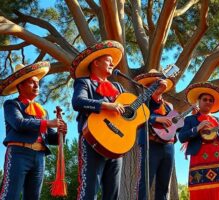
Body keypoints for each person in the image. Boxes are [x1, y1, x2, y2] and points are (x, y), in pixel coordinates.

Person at [0, 61, 67, 200]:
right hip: (19, 154)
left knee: (33, 197)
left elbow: (51, 138)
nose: (37, 86)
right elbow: (19, 123)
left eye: (38, 82)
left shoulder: (43, 112)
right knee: (10, 195)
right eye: (31, 82)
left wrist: (62, 132)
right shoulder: (12, 104)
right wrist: (48, 123)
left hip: (39, 157)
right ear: (20, 85)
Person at [71, 40, 126, 200]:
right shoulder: (84, 82)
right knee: (89, 190)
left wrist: (155, 90)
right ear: (96, 62)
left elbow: (132, 110)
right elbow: (78, 102)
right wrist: (107, 105)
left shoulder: (119, 88)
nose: (113, 65)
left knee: (112, 194)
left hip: (116, 143)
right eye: (109, 61)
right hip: (92, 140)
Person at [178, 82, 219, 200]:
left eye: (211, 100)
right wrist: (197, 128)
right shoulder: (190, 119)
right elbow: (181, 137)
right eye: (205, 99)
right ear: (199, 101)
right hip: (199, 160)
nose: (208, 102)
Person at [134, 69, 176, 200]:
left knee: (164, 186)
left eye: (158, 82)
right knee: (145, 182)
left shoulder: (169, 105)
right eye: (154, 83)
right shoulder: (141, 101)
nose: (158, 85)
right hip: (149, 143)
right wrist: (156, 119)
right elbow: (136, 116)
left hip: (168, 146)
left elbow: (174, 126)